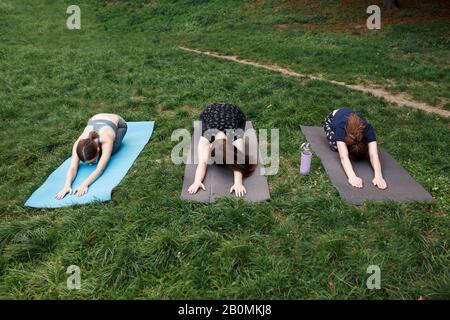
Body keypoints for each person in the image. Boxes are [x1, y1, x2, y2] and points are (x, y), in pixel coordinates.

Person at [188, 102, 257, 197]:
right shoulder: (206, 136)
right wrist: (197, 181)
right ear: (211, 145)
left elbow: (238, 162)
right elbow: (202, 163)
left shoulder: (236, 136)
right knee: (202, 123)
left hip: (236, 113)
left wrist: (238, 183)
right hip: (210, 110)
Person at [55, 113, 128, 199]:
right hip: (95, 119)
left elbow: (100, 169)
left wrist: (84, 184)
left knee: (112, 150)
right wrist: (66, 186)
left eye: (93, 161)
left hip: (119, 123)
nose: (92, 164)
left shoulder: (106, 140)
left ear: (97, 149)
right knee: (98, 154)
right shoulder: (78, 145)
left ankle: (102, 153)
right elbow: (73, 167)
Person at [323, 108, 387, 189]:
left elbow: (374, 154)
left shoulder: (367, 128)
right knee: (335, 147)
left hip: (350, 117)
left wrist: (379, 176)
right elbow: (343, 157)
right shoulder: (341, 129)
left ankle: (353, 146)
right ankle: (346, 144)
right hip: (332, 118)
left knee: (362, 151)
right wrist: (352, 176)